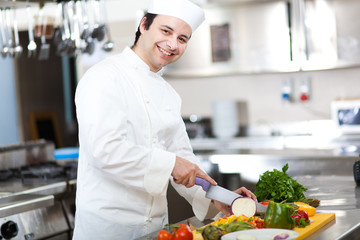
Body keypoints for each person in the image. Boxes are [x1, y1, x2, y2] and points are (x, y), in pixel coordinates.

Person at [73, 0, 257, 239]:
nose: (172, 44)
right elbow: (104, 150)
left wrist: (217, 196)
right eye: (166, 31)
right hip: (107, 228)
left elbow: (184, 158)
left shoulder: (169, 95)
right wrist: (171, 163)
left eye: (182, 39)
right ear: (143, 25)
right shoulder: (103, 78)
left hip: (156, 228)